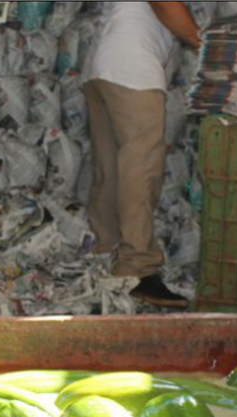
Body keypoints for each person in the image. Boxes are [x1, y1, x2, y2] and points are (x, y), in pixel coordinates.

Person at [83, 2, 201, 309]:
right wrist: (204, 42)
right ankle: (136, 268)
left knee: (110, 170)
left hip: (103, 65)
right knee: (141, 168)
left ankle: (105, 250)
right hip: (133, 68)